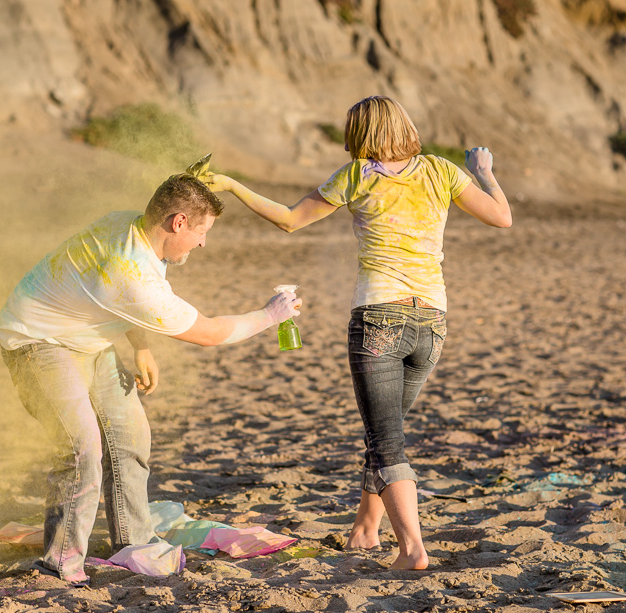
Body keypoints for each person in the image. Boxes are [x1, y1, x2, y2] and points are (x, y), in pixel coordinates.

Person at [203, 95, 511, 570]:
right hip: (432, 323)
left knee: (386, 441)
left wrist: (228, 184)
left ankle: (412, 550)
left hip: (378, 320)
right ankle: (366, 532)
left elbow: (288, 219)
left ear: (361, 134)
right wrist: (485, 171)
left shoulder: (356, 177)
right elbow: (501, 217)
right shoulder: (442, 170)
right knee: (383, 433)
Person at [0, 173, 302, 585]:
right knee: (81, 449)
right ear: (178, 222)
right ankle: (59, 565)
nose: (203, 243)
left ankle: (134, 541)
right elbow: (210, 334)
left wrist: (141, 346)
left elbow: (115, 300)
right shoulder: (132, 275)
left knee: (130, 434)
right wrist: (271, 315)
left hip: (87, 339)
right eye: (201, 232)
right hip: (36, 343)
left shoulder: (128, 223)